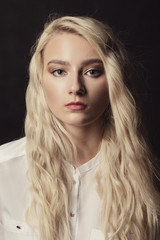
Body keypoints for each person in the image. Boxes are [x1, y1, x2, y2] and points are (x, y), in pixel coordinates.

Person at [0, 15, 159, 240]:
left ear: (114, 79)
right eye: (59, 71)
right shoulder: (3, 171)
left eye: (92, 71)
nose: (75, 87)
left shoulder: (145, 182)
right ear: (40, 79)